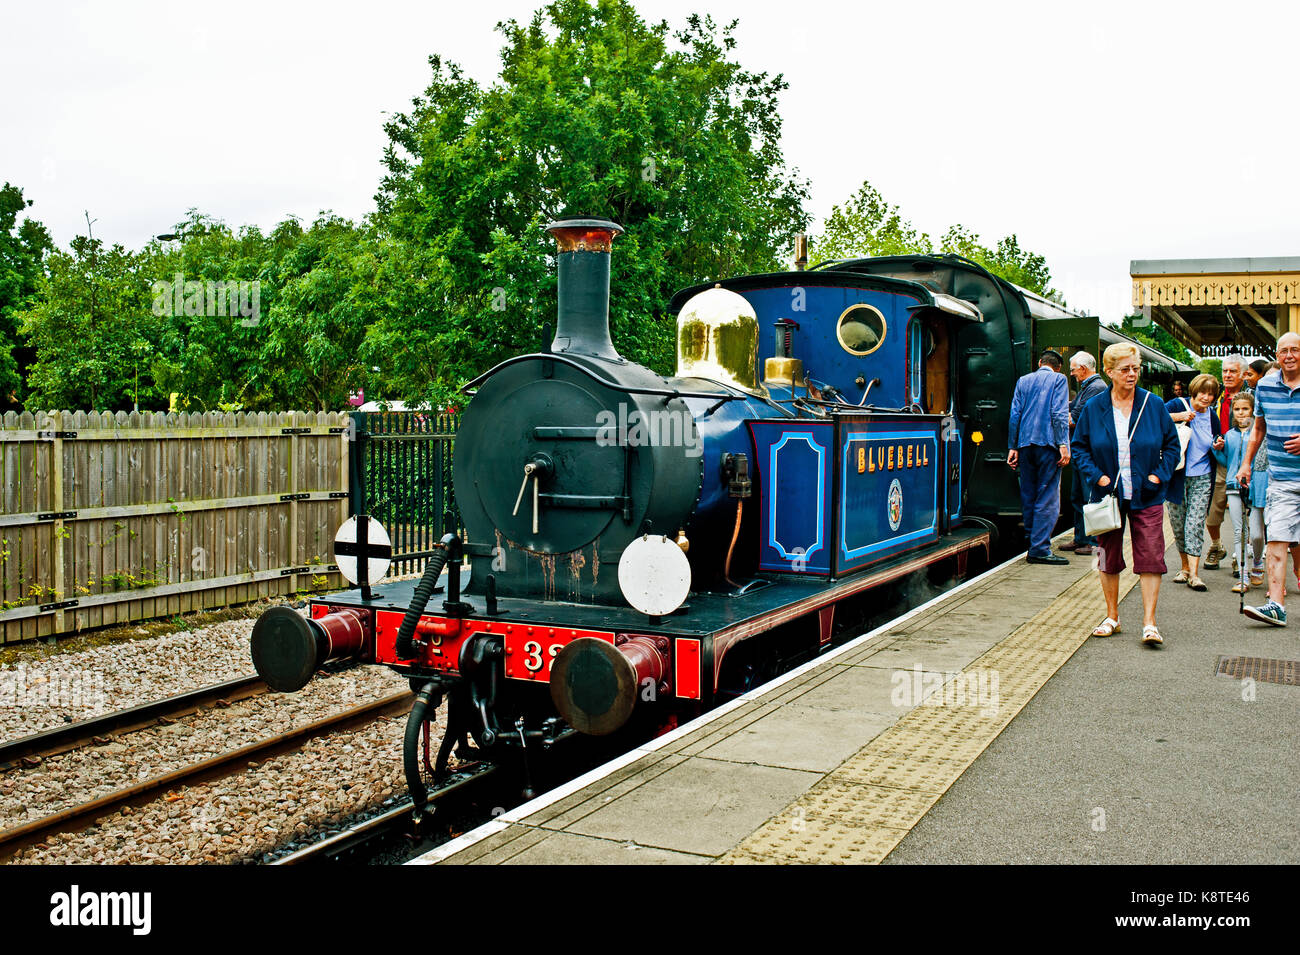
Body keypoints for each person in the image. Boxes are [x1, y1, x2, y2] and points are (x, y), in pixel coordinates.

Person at [1072, 342, 1180, 645]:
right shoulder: (1095, 408)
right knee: (1106, 555)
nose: (1132, 374)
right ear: (1109, 372)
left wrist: (1159, 475)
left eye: (1136, 368)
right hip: (1108, 496)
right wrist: (1098, 477)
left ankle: (1149, 623)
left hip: (1147, 494)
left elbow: (1172, 445)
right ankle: (1112, 616)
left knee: (1150, 556)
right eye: (1125, 369)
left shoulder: (1153, 404)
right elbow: (1079, 447)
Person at [1238, 333, 1300, 626]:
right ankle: (1276, 605)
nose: (1289, 355)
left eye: (1295, 350)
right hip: (1281, 477)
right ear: (1277, 355)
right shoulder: (1263, 386)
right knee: (1276, 539)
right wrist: (1246, 463)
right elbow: (1258, 428)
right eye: (1284, 350)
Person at [1007, 349, 1071, 564]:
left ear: (1039, 362)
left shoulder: (1023, 381)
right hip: (1048, 444)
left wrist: (1013, 446)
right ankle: (1040, 548)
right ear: (1058, 367)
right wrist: (1063, 444)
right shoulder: (1059, 380)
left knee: (1029, 494)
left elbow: (1014, 414)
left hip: (1025, 445)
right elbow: (1059, 413)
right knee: (1048, 496)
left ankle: (1032, 540)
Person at [1165, 374, 1221, 591]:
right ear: (1194, 392)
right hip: (1177, 475)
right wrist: (1180, 416)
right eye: (1203, 393)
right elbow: (1154, 417)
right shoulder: (1178, 404)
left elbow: (1215, 440)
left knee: (1195, 523)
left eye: (1211, 394)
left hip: (1202, 475)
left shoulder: (1212, 417)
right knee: (1178, 525)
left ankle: (1195, 575)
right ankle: (1184, 567)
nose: (1206, 398)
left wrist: (1218, 445)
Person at [1215, 392, 1266, 593]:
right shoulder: (1230, 435)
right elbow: (1226, 460)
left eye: (1245, 409)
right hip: (1233, 485)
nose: (1241, 413)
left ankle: (1258, 562)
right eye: (1237, 409)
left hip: (1256, 485)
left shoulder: (1259, 433)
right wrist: (1218, 449)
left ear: (1253, 410)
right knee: (1239, 532)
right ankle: (1243, 576)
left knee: (1256, 533)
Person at [1059, 351, 1109, 555]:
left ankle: (1093, 541)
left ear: (1083, 368)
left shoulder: (1096, 388)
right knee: (1078, 496)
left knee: (1090, 497)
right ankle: (1081, 538)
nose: (1071, 374)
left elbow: (1075, 417)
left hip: (1090, 452)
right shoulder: (1088, 387)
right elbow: (1072, 409)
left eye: (1073, 370)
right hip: (1083, 450)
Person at [1204, 354, 1248, 567]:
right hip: (1223, 463)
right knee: (1212, 515)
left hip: (1248, 463)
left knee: (1246, 514)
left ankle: (1241, 556)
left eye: (1232, 371)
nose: (1227, 375)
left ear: (1243, 374)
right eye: (1225, 371)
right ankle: (1217, 545)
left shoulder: (1252, 398)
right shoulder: (1219, 398)